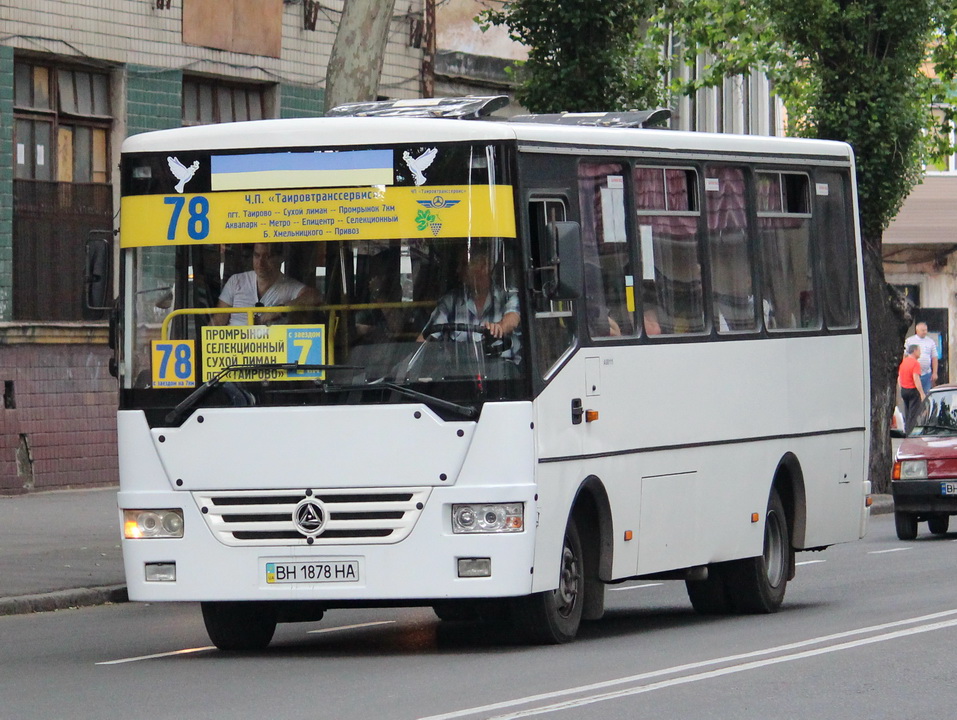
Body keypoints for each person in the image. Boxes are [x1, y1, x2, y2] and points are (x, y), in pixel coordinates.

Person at [418, 247, 521, 361]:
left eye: (464, 264)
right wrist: (408, 363)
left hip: (506, 372)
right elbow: (426, 337)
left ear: (483, 266)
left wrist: (499, 327)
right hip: (460, 372)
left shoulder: (507, 296)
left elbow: (512, 319)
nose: (458, 270)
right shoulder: (450, 302)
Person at [212, 243, 319, 326]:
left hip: (273, 350)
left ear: (280, 258)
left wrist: (279, 310)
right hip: (235, 349)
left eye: (267, 257)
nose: (260, 262)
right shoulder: (236, 281)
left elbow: (314, 296)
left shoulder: (289, 286)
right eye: (257, 255)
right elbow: (218, 321)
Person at [904, 322, 938, 393]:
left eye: (926, 330)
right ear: (917, 330)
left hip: (926, 374)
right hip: (912, 374)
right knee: (914, 394)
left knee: (926, 395)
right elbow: (905, 357)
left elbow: (934, 357)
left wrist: (934, 372)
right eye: (923, 330)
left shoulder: (930, 341)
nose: (925, 332)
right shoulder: (909, 341)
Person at [899, 343, 926, 433]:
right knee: (913, 413)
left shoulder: (903, 362)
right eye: (919, 351)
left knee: (907, 412)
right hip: (913, 390)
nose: (920, 353)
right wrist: (922, 393)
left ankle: (906, 429)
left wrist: (901, 389)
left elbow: (899, 377)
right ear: (914, 351)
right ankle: (910, 432)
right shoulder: (915, 363)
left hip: (904, 389)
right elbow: (916, 378)